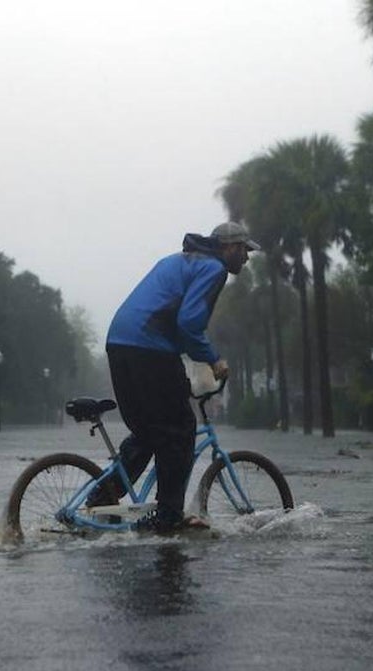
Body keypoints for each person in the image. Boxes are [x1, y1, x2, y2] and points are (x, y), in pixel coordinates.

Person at [102, 222, 258, 533]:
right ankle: (169, 515)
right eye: (243, 249)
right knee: (181, 428)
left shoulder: (179, 260)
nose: (247, 257)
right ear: (228, 247)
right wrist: (213, 360)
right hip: (149, 347)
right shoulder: (214, 269)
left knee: (149, 432)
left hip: (119, 343)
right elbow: (189, 323)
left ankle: (98, 501)